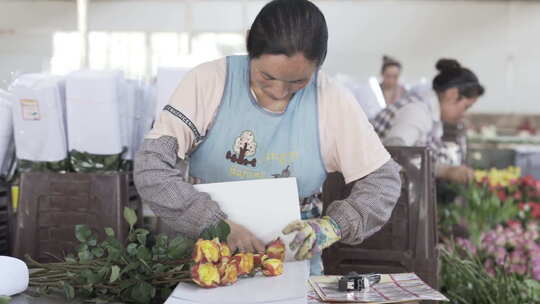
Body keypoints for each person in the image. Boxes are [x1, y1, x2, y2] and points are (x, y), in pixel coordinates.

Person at [134, 0, 401, 275]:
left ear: (318, 65)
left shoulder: (331, 99)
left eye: (298, 82)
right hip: (207, 263)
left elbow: (384, 180)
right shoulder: (209, 81)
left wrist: (334, 225)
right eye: (266, 76)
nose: (279, 92)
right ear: (249, 42)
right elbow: (151, 167)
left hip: (293, 267)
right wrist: (214, 223)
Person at [372, 59, 485, 184]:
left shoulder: (432, 114)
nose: (464, 114)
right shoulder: (418, 111)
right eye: (466, 107)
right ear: (452, 94)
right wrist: (445, 171)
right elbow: (396, 154)